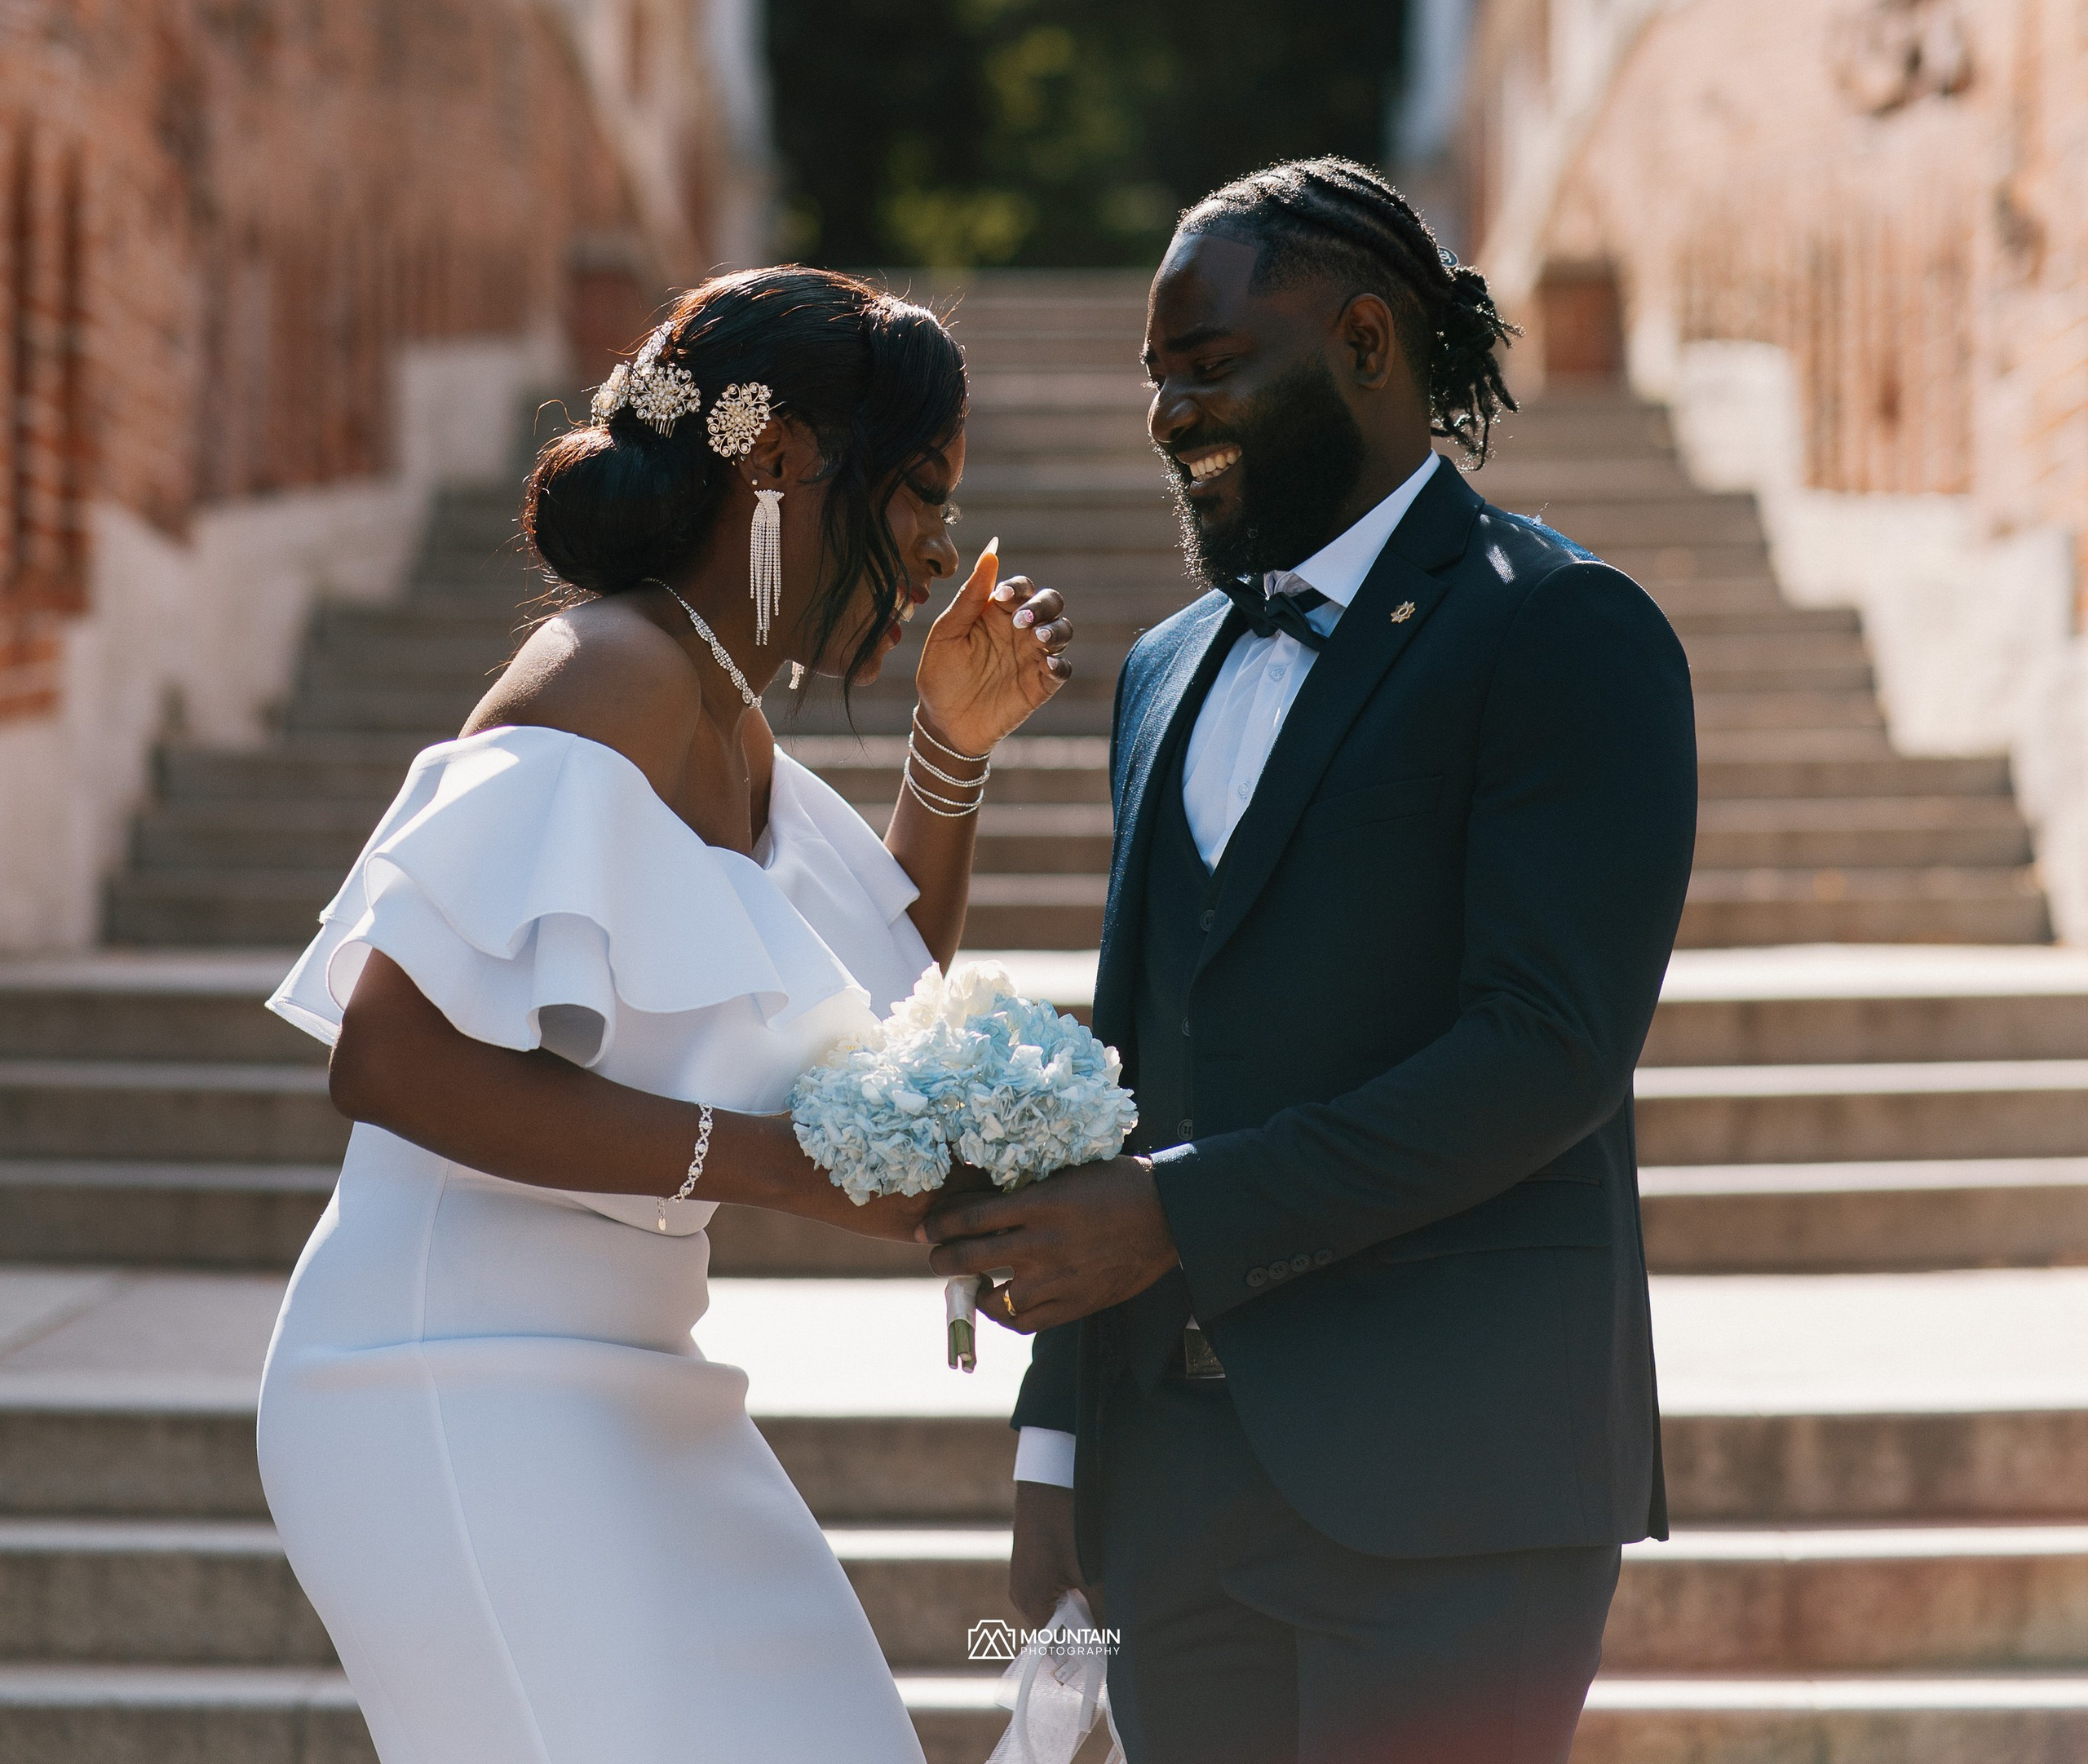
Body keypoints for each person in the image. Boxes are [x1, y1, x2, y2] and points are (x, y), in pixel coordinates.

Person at [924, 158, 1698, 1764]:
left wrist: (1173, 1217)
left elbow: (1545, 1052)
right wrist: (1059, 1445)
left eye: (1206, 369)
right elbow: (1125, 1056)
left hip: (1454, 1492)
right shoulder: (1160, 668)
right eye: (1156, 378)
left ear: (1363, 344)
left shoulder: (1563, 627)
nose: (1164, 416)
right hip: (1174, 1497)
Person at [257, 265, 1069, 1764]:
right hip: (445, 1376)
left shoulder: (727, 716)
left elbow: (871, 1004)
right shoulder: (610, 673)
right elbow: (388, 1053)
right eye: (918, 499)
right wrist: (772, 1173)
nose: (937, 551)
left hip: (638, 1373)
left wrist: (949, 748)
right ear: (776, 466)